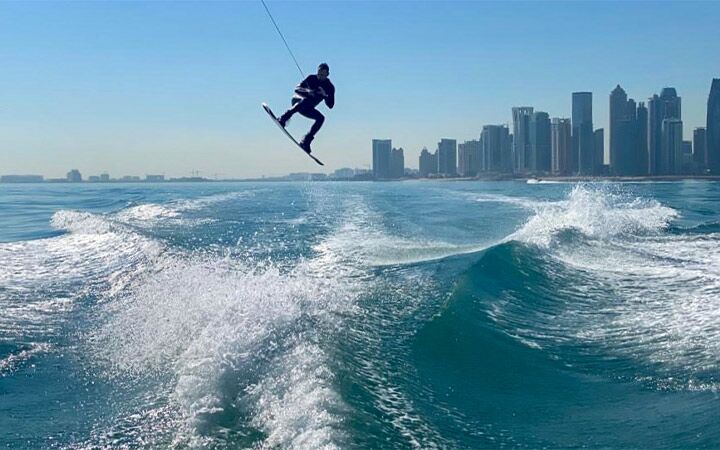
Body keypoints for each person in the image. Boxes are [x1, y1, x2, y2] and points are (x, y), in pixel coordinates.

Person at [277, 63, 335, 153]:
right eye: (319, 74)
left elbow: (330, 105)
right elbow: (296, 89)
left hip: (308, 109)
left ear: (327, 74)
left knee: (321, 118)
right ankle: (283, 118)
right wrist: (308, 91)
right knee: (306, 100)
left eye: (323, 75)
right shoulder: (312, 78)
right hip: (297, 101)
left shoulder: (330, 87)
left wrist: (325, 95)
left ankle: (306, 141)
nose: (320, 76)